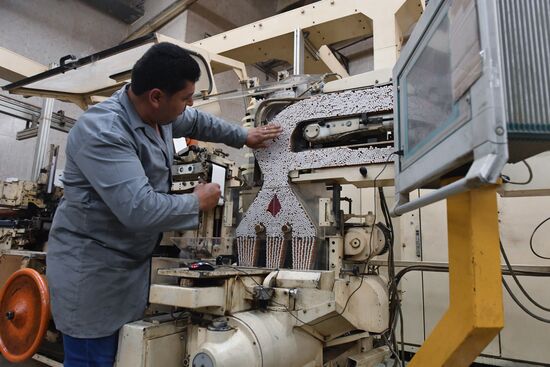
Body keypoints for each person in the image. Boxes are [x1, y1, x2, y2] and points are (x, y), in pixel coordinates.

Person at [46, 42, 281, 366]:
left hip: (129, 266)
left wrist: (244, 136)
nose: (190, 104)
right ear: (156, 96)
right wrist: (196, 201)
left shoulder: (158, 114)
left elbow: (199, 122)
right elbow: (139, 209)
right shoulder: (104, 130)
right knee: (94, 358)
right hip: (93, 275)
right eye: (185, 98)